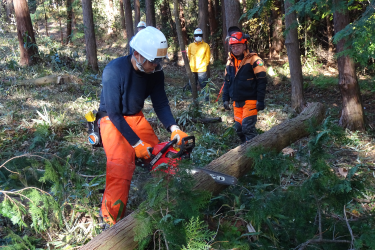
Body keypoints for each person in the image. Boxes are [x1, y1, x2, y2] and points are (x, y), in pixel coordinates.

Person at [99, 26, 188, 225]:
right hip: (111, 120)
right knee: (121, 164)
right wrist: (136, 143)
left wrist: (173, 128)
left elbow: (161, 103)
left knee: (160, 155)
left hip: (135, 117)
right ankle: (110, 218)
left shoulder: (155, 73)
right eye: (152, 61)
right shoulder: (113, 71)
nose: (155, 66)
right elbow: (113, 113)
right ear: (137, 54)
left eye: (159, 62)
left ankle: (163, 202)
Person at [222, 26, 267, 143]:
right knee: (239, 129)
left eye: (238, 46)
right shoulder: (230, 62)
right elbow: (227, 81)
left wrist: (260, 100)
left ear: (244, 45)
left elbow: (262, 80)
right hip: (237, 101)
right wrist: (225, 98)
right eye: (233, 46)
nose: (235, 49)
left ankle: (256, 153)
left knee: (248, 128)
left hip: (250, 100)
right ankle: (245, 150)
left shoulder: (254, 59)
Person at [187, 28, 211, 100]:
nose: (198, 37)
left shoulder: (206, 45)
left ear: (202, 36)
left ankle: (206, 100)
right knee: (192, 84)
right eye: (196, 35)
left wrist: (204, 65)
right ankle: (194, 100)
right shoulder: (190, 46)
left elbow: (208, 57)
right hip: (192, 68)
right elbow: (189, 55)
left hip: (202, 69)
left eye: (200, 35)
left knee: (204, 85)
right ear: (194, 36)